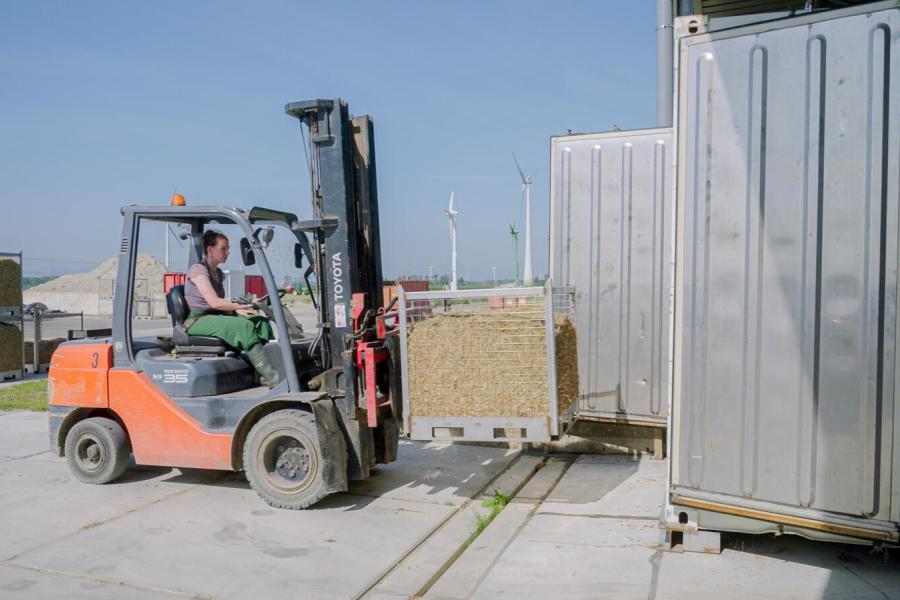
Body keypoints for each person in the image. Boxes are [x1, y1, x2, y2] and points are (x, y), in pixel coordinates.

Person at [183, 230, 280, 386]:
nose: (227, 252)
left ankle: (260, 374)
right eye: (223, 248)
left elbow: (221, 303)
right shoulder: (198, 270)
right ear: (210, 250)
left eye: (228, 249)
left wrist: (237, 309)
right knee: (245, 326)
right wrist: (239, 305)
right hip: (198, 319)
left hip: (215, 316)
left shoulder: (218, 273)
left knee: (259, 321)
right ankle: (272, 377)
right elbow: (214, 302)